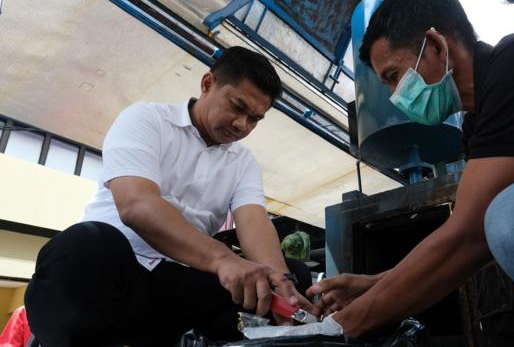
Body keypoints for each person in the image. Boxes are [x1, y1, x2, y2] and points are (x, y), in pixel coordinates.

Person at [305, 0, 514, 346]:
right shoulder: (478, 124)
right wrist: (377, 283)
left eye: (393, 75)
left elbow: (471, 234)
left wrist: (340, 328)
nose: (393, 94)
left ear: (435, 45)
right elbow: (468, 234)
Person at [25, 46, 312, 346]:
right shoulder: (146, 119)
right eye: (237, 107)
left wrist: (282, 282)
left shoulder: (243, 163)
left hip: (177, 285)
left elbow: (254, 223)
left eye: (255, 119)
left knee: (288, 274)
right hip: (111, 273)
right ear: (207, 84)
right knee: (87, 242)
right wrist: (222, 258)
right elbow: (136, 204)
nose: (243, 125)